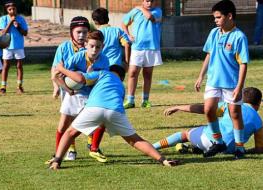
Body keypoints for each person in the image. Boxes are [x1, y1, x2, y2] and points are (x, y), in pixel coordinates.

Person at [49, 64, 180, 170]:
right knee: (135, 140)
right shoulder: (121, 87)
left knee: (70, 133)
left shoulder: (103, 73)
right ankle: (163, 160)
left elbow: (80, 78)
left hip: (94, 108)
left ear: (109, 70)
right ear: (122, 78)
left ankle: (57, 161)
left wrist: (62, 69)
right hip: (115, 111)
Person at [194, 0, 249, 159]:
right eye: (215, 17)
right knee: (208, 110)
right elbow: (209, 55)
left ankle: (240, 147)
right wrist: (201, 76)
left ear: (229, 16)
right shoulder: (214, 33)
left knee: (235, 114)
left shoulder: (239, 37)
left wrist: (239, 87)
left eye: (218, 17)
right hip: (213, 81)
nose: (215, 20)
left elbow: (243, 64)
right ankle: (218, 142)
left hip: (231, 83)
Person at [48, 30, 110, 163]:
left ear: (102, 47)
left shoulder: (105, 60)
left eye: (98, 47)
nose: (94, 50)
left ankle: (94, 149)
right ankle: (57, 154)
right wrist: (67, 89)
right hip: (74, 94)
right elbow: (56, 75)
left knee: (102, 119)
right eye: (92, 46)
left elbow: (103, 80)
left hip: (92, 95)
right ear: (86, 45)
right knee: (64, 124)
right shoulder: (77, 57)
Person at [153, 87, 263, 156]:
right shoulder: (258, 121)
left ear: (241, 99)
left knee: (185, 134)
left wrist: (178, 107)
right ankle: (196, 148)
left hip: (211, 140)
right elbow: (260, 149)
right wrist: (245, 151)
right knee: (207, 130)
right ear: (259, 103)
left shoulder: (230, 106)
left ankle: (153, 147)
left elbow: (203, 109)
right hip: (230, 149)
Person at [122, 0, 163, 109]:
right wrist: (128, 35)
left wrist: (140, 8)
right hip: (137, 47)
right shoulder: (135, 11)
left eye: (152, 1)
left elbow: (150, 17)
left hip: (152, 47)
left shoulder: (158, 11)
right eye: (147, 1)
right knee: (132, 73)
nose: (150, 3)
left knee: (148, 74)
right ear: (143, 1)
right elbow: (124, 23)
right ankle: (130, 100)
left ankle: (145, 100)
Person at [0, 0, 28, 94]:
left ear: (16, 9)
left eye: (14, 9)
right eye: (10, 9)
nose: (12, 11)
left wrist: (18, 26)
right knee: (6, 66)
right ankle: (3, 87)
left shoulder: (21, 19)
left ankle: (19, 86)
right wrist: (11, 22)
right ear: (7, 10)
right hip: (7, 46)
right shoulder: (3, 19)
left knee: (19, 65)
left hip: (18, 46)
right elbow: (3, 32)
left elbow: (25, 33)